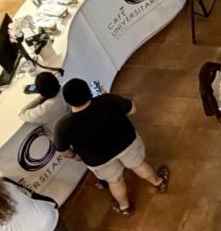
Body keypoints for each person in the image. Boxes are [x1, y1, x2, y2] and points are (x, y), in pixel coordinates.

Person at [55, 80, 168, 215]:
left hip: (98, 159)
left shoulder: (62, 126)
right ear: (88, 91)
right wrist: (106, 96)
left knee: (115, 181)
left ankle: (125, 207)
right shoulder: (107, 100)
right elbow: (132, 109)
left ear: (67, 101)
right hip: (126, 143)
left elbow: (64, 152)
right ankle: (158, 182)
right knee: (139, 165)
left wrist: (75, 156)